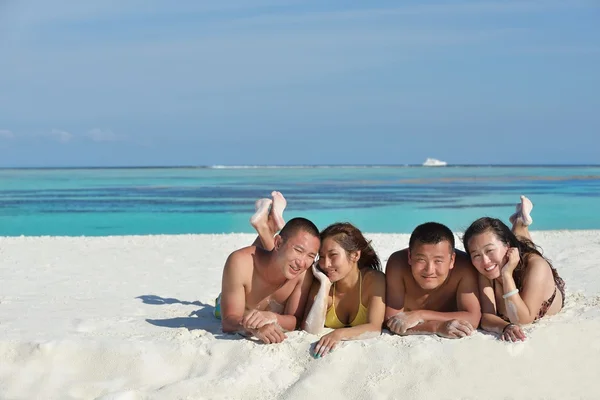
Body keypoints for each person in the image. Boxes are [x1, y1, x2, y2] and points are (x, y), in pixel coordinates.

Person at [218, 191, 320, 344]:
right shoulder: (239, 263)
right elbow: (229, 320)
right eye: (298, 250)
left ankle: (268, 225)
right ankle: (267, 226)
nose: (302, 262)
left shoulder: (304, 273)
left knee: (276, 258)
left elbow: (295, 320)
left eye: (311, 256)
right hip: (224, 303)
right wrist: (254, 328)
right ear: (278, 242)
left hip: (272, 261)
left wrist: (273, 318)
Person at [462, 195, 565, 342]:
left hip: (545, 286)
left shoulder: (536, 266)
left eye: (489, 251)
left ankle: (519, 223)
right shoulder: (485, 269)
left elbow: (523, 320)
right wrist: (504, 327)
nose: (485, 261)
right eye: (476, 255)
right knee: (518, 242)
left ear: (507, 246)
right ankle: (519, 221)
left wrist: (507, 275)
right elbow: (486, 317)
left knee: (524, 246)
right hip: (510, 249)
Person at [302, 222, 386, 358]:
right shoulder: (321, 282)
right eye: (321, 257)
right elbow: (310, 329)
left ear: (355, 256)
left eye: (333, 255)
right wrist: (324, 285)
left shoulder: (374, 280)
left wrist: (338, 334)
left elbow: (374, 328)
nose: (325, 264)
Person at [385, 222, 481, 339]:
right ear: (410, 257)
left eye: (438, 261)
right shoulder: (398, 264)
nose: (429, 270)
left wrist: (420, 315)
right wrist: (436, 327)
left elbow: (473, 318)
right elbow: (391, 320)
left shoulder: (463, 268)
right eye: (421, 259)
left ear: (452, 260)